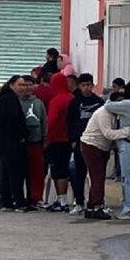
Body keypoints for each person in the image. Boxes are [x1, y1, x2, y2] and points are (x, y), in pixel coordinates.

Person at [79, 94, 130, 220]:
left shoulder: (114, 114)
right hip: (92, 145)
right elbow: (108, 133)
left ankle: (91, 206)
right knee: (97, 177)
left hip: (101, 147)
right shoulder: (103, 113)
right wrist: (128, 131)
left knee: (97, 177)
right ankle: (97, 206)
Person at [104, 78, 130, 220]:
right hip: (129, 143)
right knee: (128, 177)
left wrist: (112, 94)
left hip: (128, 143)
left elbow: (108, 105)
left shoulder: (128, 104)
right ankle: (128, 206)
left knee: (129, 178)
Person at [66, 73, 104, 215]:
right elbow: (69, 122)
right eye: (83, 85)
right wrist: (72, 140)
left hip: (96, 142)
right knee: (78, 173)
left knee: (96, 175)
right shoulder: (75, 102)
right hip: (80, 141)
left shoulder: (99, 102)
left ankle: (96, 202)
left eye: (89, 85)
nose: (87, 88)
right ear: (79, 86)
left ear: (92, 85)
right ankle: (79, 201)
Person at [0, 76, 29, 211]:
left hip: (5, 139)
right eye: (20, 85)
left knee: (7, 171)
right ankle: (19, 202)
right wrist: (22, 135)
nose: (23, 88)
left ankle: (6, 201)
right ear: (12, 85)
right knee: (15, 172)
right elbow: (13, 121)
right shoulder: (9, 99)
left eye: (24, 85)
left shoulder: (5, 98)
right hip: (11, 140)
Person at [44, 72, 75, 212]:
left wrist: (47, 138)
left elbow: (52, 121)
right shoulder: (72, 97)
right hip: (70, 139)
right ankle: (64, 199)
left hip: (57, 139)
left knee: (58, 170)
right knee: (65, 169)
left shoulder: (56, 100)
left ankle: (62, 201)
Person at [19, 75, 47, 210]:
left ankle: (36, 198)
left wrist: (45, 138)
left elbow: (44, 121)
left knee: (36, 172)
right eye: (24, 85)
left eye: (30, 85)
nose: (27, 88)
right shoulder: (16, 102)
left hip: (36, 141)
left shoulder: (38, 103)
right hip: (20, 143)